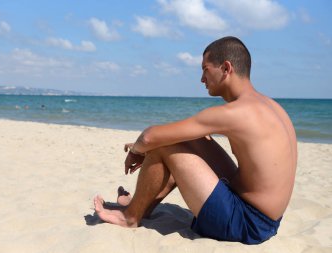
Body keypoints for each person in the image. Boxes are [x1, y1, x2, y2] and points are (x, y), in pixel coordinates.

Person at [93, 36, 297, 244]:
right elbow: (171, 136)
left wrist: (137, 150)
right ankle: (140, 205)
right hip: (267, 219)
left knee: (166, 145)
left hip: (247, 223)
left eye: (205, 69)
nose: (202, 79)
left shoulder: (236, 112)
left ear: (226, 69)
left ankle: (131, 216)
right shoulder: (272, 106)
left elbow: (148, 136)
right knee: (196, 139)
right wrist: (147, 144)